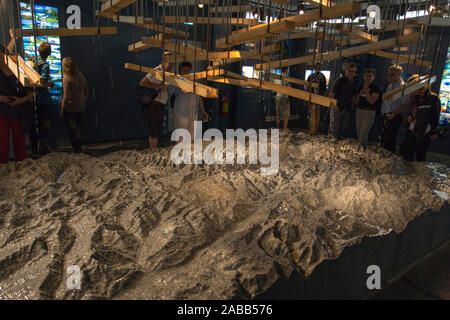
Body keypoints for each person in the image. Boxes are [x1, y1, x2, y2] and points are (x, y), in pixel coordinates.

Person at [0, 44, 34, 164]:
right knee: (2, 143)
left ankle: (21, 164)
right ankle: (3, 167)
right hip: (2, 110)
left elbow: (33, 91)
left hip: (19, 111)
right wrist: (1, 98)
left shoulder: (17, 69)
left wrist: (22, 100)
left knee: (19, 142)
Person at [399, 74, 441, 162]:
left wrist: (434, 131)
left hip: (424, 131)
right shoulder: (415, 97)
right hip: (412, 128)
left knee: (420, 156)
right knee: (405, 152)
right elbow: (413, 111)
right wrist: (410, 117)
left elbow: (435, 116)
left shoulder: (433, 98)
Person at [139, 52, 173, 149]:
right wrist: (157, 86)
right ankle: (152, 148)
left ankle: (154, 147)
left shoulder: (168, 74)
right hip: (154, 102)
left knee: (157, 127)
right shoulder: (156, 70)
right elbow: (142, 82)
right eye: (169, 62)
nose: (171, 65)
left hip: (160, 103)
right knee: (153, 127)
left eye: (172, 63)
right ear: (163, 61)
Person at [29, 41, 55, 156]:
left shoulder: (32, 59)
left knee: (34, 125)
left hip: (31, 98)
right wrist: (50, 84)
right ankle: (43, 147)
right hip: (43, 99)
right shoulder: (45, 65)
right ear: (49, 54)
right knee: (45, 124)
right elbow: (42, 82)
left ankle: (34, 150)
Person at [59, 57, 88, 154]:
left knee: (72, 131)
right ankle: (78, 150)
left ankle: (77, 151)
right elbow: (86, 92)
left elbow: (66, 97)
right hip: (80, 108)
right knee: (76, 129)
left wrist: (62, 109)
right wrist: (82, 101)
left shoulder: (66, 78)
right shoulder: (81, 76)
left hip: (70, 110)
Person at [172, 61, 208, 139]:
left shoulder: (194, 82)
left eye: (188, 71)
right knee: (181, 136)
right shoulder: (177, 81)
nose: (186, 73)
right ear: (180, 72)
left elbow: (198, 97)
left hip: (193, 113)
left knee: (192, 137)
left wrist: (203, 110)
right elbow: (184, 89)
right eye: (184, 71)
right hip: (181, 114)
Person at [379, 64, 409, 154]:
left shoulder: (403, 87)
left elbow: (406, 104)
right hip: (385, 115)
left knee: (390, 139)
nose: (389, 76)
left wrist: (393, 114)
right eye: (388, 74)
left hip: (394, 116)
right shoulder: (390, 86)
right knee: (383, 138)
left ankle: (389, 158)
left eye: (392, 74)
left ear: (399, 75)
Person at [329, 63, 358, 140]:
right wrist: (335, 106)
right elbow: (331, 94)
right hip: (337, 108)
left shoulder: (354, 82)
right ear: (346, 71)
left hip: (347, 109)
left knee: (342, 130)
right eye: (349, 71)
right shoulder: (340, 80)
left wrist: (352, 105)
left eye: (353, 71)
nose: (351, 73)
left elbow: (353, 96)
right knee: (334, 131)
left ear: (355, 72)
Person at [355, 68, 381, 149]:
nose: (368, 78)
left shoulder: (375, 88)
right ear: (363, 77)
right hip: (359, 111)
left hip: (369, 112)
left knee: (363, 134)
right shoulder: (360, 87)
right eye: (366, 76)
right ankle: (360, 150)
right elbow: (356, 101)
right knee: (359, 133)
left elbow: (372, 102)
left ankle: (361, 151)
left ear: (373, 77)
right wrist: (360, 93)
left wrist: (366, 92)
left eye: (370, 76)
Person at [306, 63, 327, 135]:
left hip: (312, 97)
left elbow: (307, 88)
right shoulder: (323, 77)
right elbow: (324, 89)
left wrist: (306, 98)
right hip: (319, 98)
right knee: (317, 114)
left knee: (312, 114)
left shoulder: (311, 76)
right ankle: (315, 131)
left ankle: (311, 131)